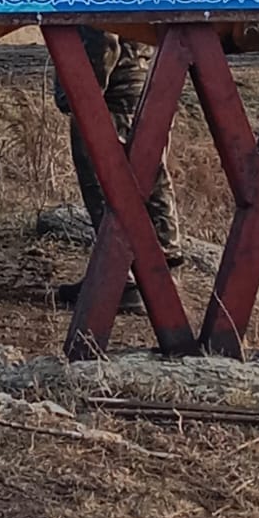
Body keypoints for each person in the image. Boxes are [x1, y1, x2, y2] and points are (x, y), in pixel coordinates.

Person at [53, 26, 183, 309]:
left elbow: (102, 33)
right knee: (149, 177)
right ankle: (159, 264)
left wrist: (81, 95)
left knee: (105, 186)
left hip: (110, 100)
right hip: (139, 89)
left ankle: (122, 277)